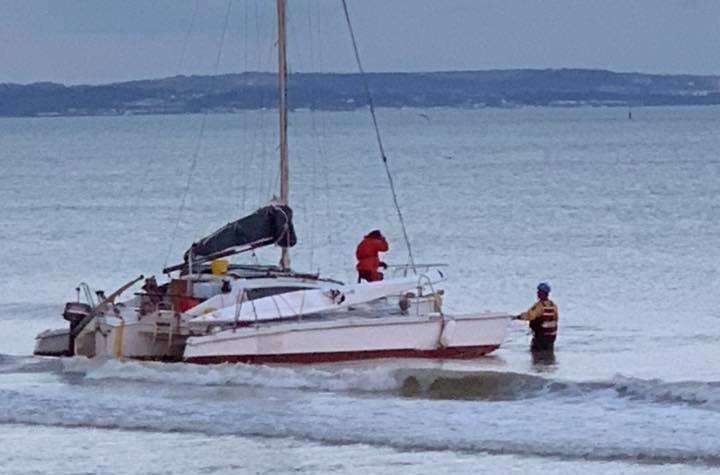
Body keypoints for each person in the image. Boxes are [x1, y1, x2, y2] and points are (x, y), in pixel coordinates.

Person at [515, 282, 558, 353]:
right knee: (549, 356)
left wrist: (518, 317)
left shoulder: (539, 306)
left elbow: (529, 316)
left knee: (536, 358)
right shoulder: (553, 306)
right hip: (551, 338)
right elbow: (556, 319)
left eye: (539, 291)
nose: (537, 293)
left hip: (540, 339)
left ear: (543, 293)